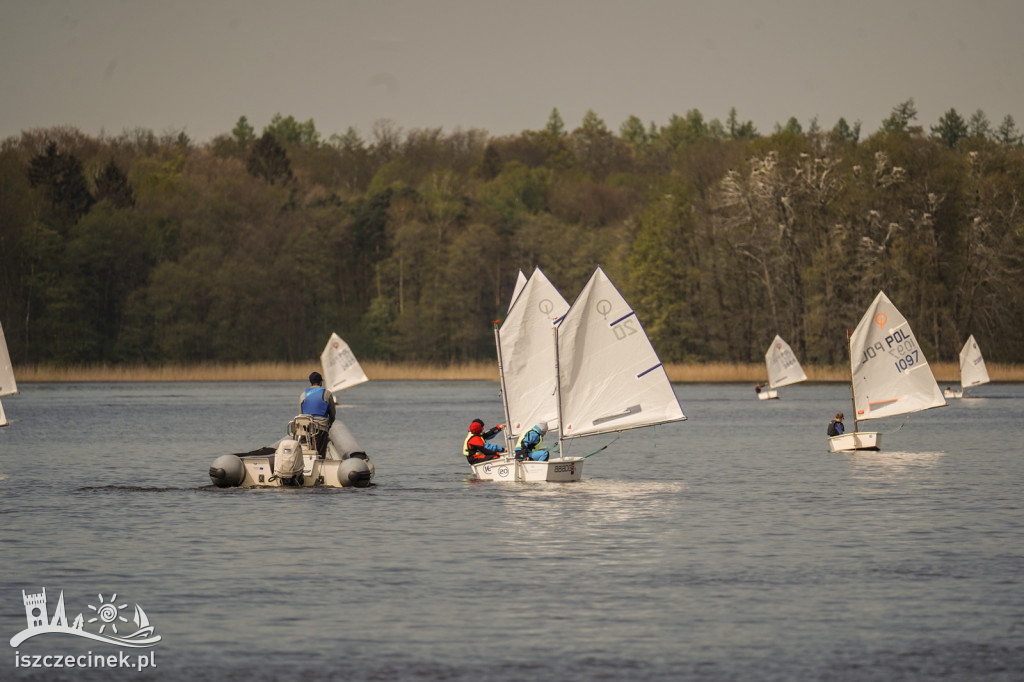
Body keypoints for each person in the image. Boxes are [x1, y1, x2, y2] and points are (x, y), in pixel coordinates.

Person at [300, 371, 336, 457]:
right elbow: (332, 412)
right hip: (321, 428)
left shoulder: (303, 395)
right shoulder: (327, 393)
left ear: (311, 382)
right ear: (320, 382)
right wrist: (330, 423)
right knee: (320, 453)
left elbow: (301, 413)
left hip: (306, 428)